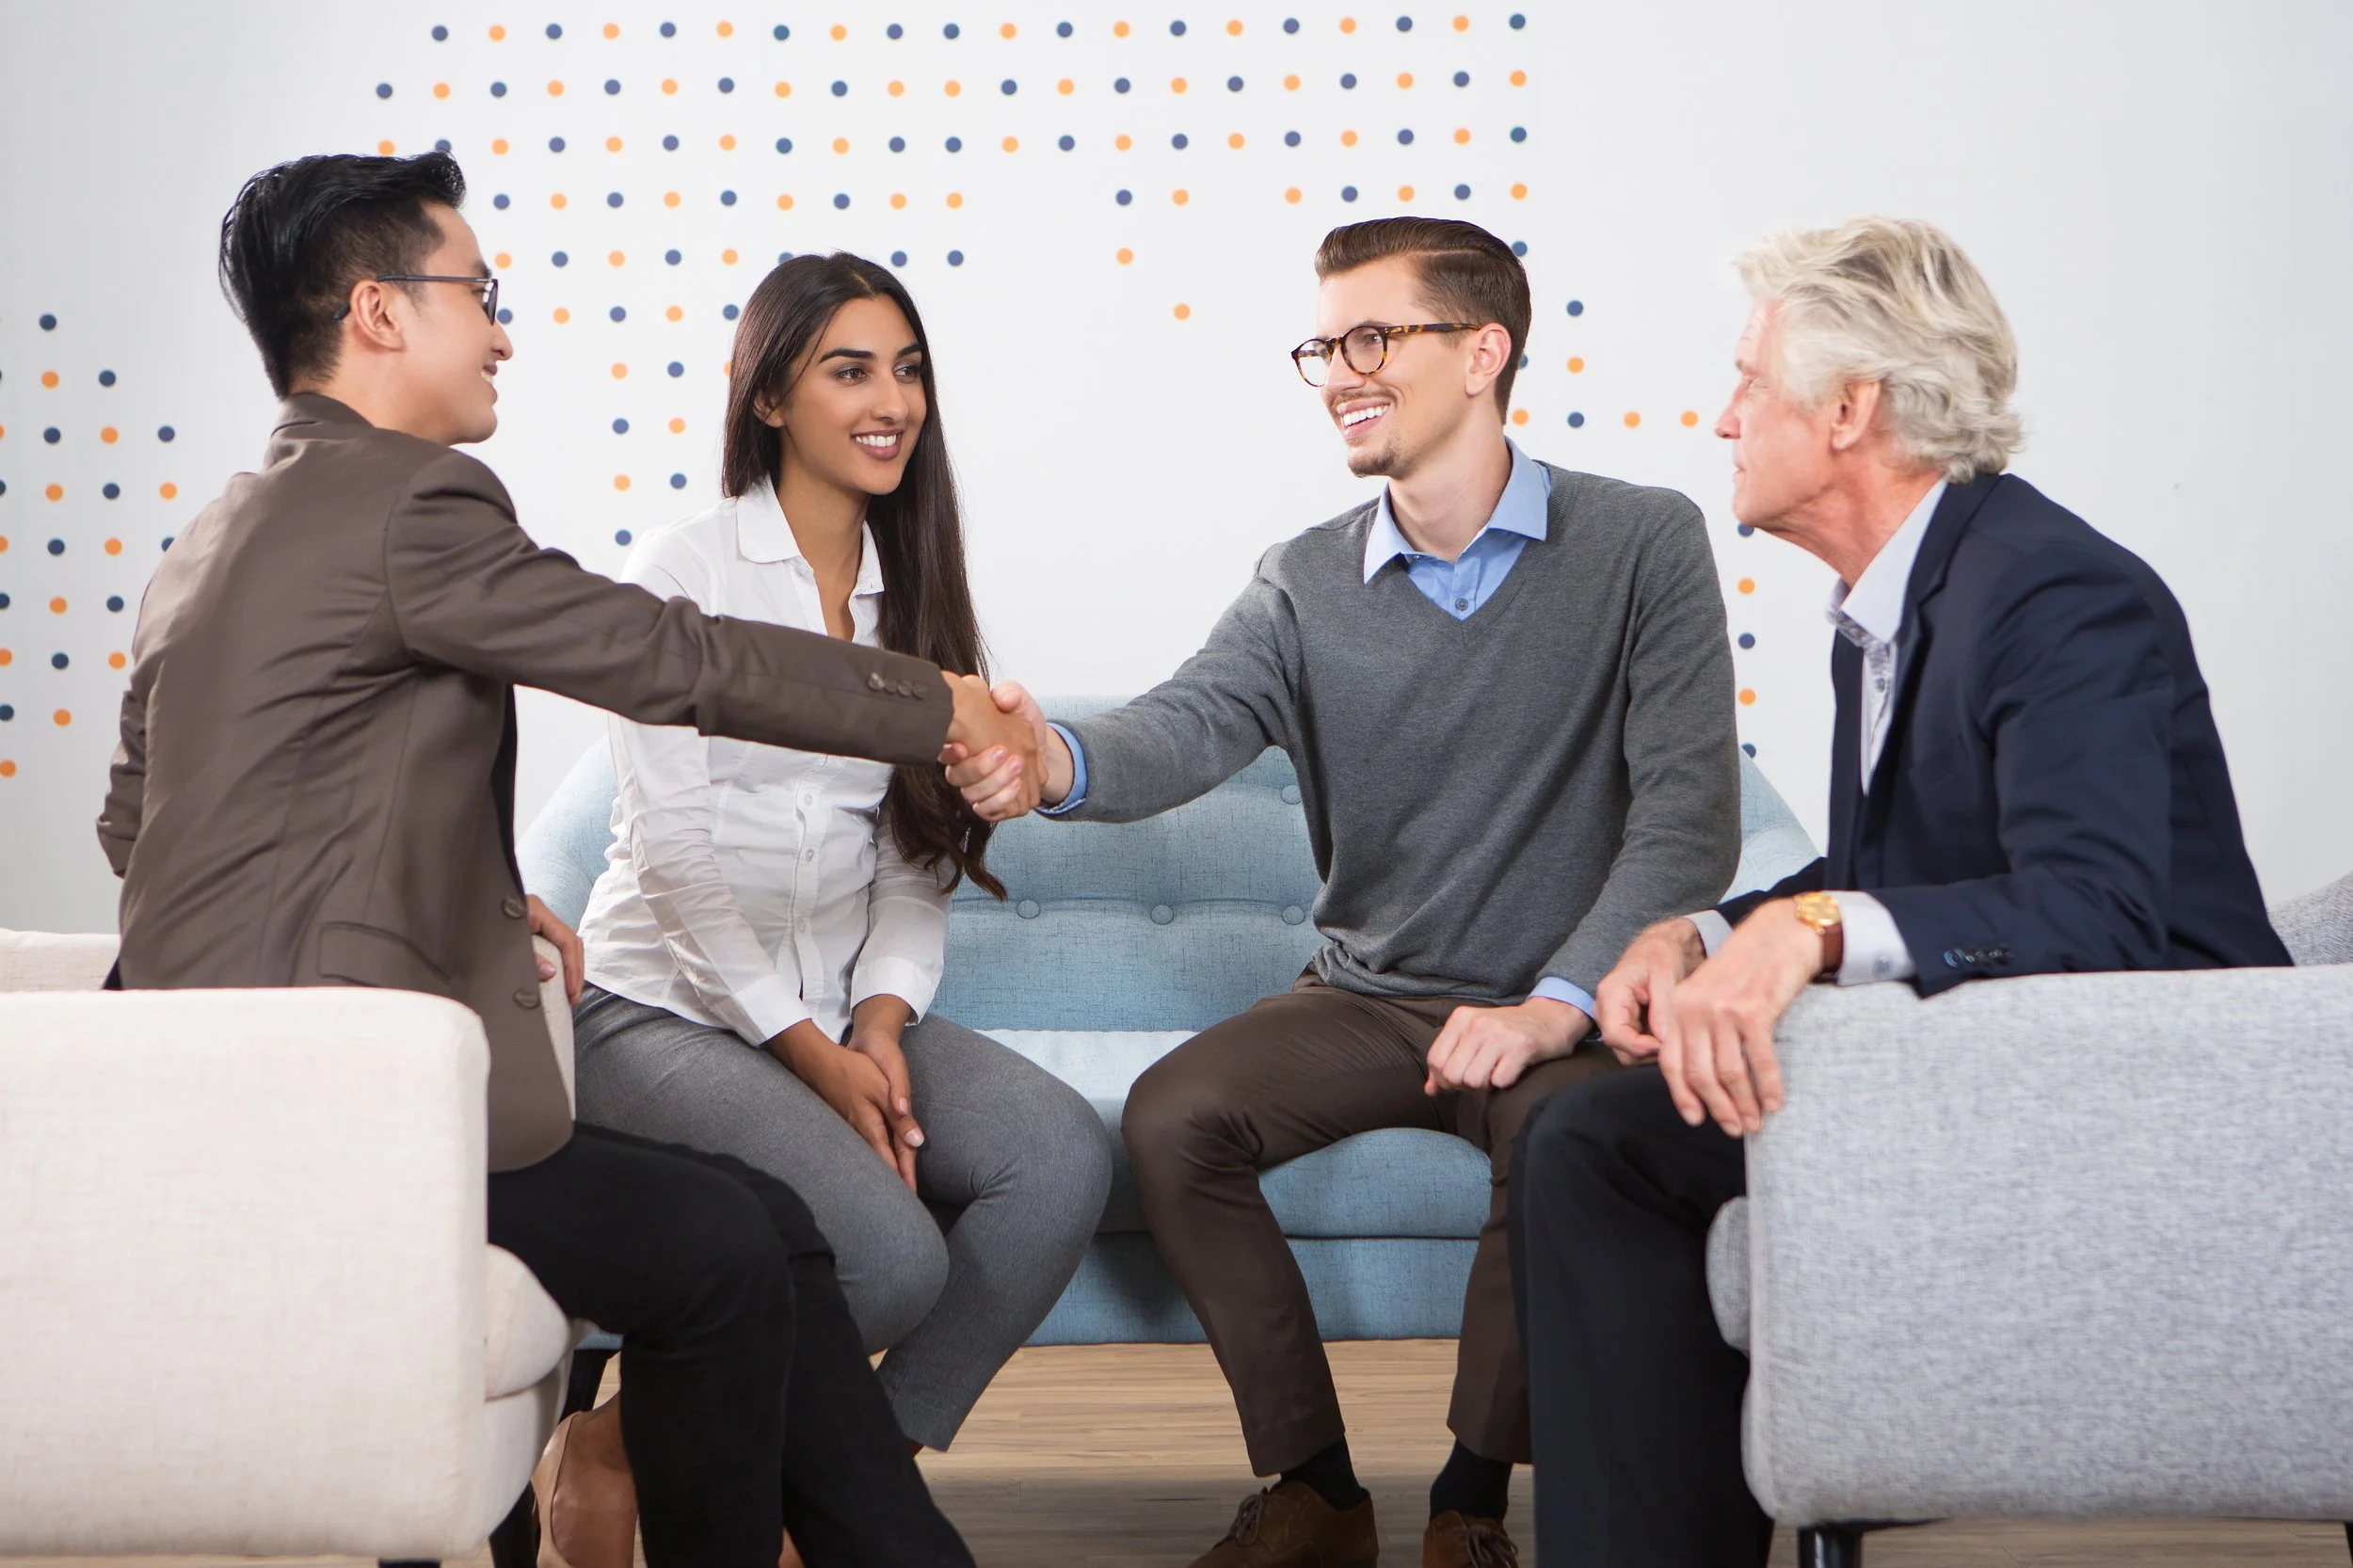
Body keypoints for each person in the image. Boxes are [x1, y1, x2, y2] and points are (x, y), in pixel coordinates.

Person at [97, 151, 1041, 1568]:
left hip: (232, 1080)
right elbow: (669, 657)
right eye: (476, 291)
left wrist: (483, 895)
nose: (500, 326)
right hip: (337, 1103)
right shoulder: (417, 505)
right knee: (730, 1254)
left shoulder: (219, 527)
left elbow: (137, 819)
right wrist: (936, 701)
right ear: (376, 312)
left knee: (762, 1228)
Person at [952, 216, 1743, 1568]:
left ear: (1484, 351)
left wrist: (1557, 1002)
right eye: (1323, 344)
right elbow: (1187, 724)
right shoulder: (1306, 579)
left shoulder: (1641, 545)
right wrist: (1050, 759)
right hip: (1372, 994)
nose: (1337, 372)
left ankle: (1469, 1499)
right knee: (1175, 1114)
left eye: (1371, 338)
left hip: (1567, 1005)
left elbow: (1688, 824)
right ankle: (1316, 1487)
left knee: (1559, 1150)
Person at [1511, 216, 2292, 1567]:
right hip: (1981, 1063)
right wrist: (1700, 929)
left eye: (1750, 382)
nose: (1722, 417)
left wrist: (1806, 932)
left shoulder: (2055, 594)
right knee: (1596, 1133)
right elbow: (1891, 874)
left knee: (1602, 1147)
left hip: (2159, 1106)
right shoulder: (1905, 596)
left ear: (1850, 410)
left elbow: (2099, 911)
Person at [565, 253, 1113, 1470]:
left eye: (910, 371)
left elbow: (916, 856)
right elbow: (668, 858)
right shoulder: (684, 572)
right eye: (850, 369)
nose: (893, 400)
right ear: (768, 396)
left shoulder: (915, 599)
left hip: (832, 1005)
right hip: (654, 1012)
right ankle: (626, 1445)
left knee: (1060, 1156)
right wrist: (808, 1053)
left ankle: (857, 1481)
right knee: (891, 1257)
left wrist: (874, 1022)